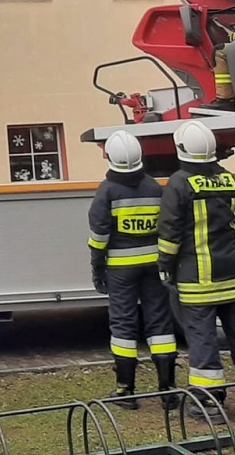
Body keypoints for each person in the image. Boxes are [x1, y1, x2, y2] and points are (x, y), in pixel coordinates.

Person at [157, 122, 235, 420]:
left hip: (198, 282)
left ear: (181, 149)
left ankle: (209, 403)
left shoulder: (179, 184)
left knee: (203, 339)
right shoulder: (232, 181)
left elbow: (170, 234)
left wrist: (165, 268)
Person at [87, 130, 179, 410]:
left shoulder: (107, 191)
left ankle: (126, 392)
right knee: (160, 323)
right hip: (153, 266)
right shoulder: (154, 187)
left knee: (124, 324)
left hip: (120, 270)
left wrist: (97, 267)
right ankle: (168, 390)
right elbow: (166, 226)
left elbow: (99, 235)